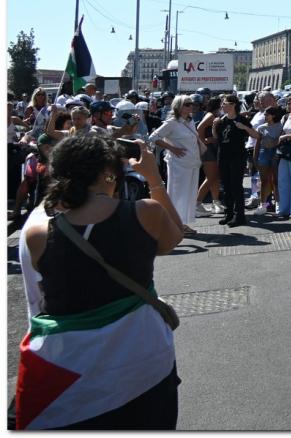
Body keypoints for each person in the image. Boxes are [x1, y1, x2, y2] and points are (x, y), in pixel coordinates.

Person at [16, 134, 182, 429]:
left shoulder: (38, 232)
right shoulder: (146, 212)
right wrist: (154, 178)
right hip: (144, 361)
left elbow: (41, 300)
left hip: (71, 370)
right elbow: (174, 237)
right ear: (109, 171)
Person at [146, 95, 205, 234]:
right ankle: (174, 223)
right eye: (187, 104)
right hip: (178, 164)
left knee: (189, 194)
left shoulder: (189, 122)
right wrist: (172, 148)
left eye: (191, 104)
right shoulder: (172, 122)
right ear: (179, 106)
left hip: (192, 162)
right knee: (177, 194)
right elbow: (153, 137)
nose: (191, 106)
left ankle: (182, 223)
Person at [213, 94, 259, 227]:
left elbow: (256, 135)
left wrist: (243, 127)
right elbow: (217, 137)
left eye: (225, 103)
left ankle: (240, 215)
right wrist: (214, 126)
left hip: (237, 156)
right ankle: (229, 214)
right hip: (223, 156)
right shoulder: (221, 120)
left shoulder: (241, 119)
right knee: (226, 186)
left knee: (236, 186)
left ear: (233, 105)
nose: (222, 106)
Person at [195, 96, 223, 216]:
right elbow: (199, 128)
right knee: (211, 177)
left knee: (214, 177)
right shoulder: (211, 115)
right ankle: (197, 203)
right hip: (208, 150)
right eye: (222, 103)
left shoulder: (213, 114)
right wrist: (204, 141)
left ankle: (216, 202)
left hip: (212, 149)